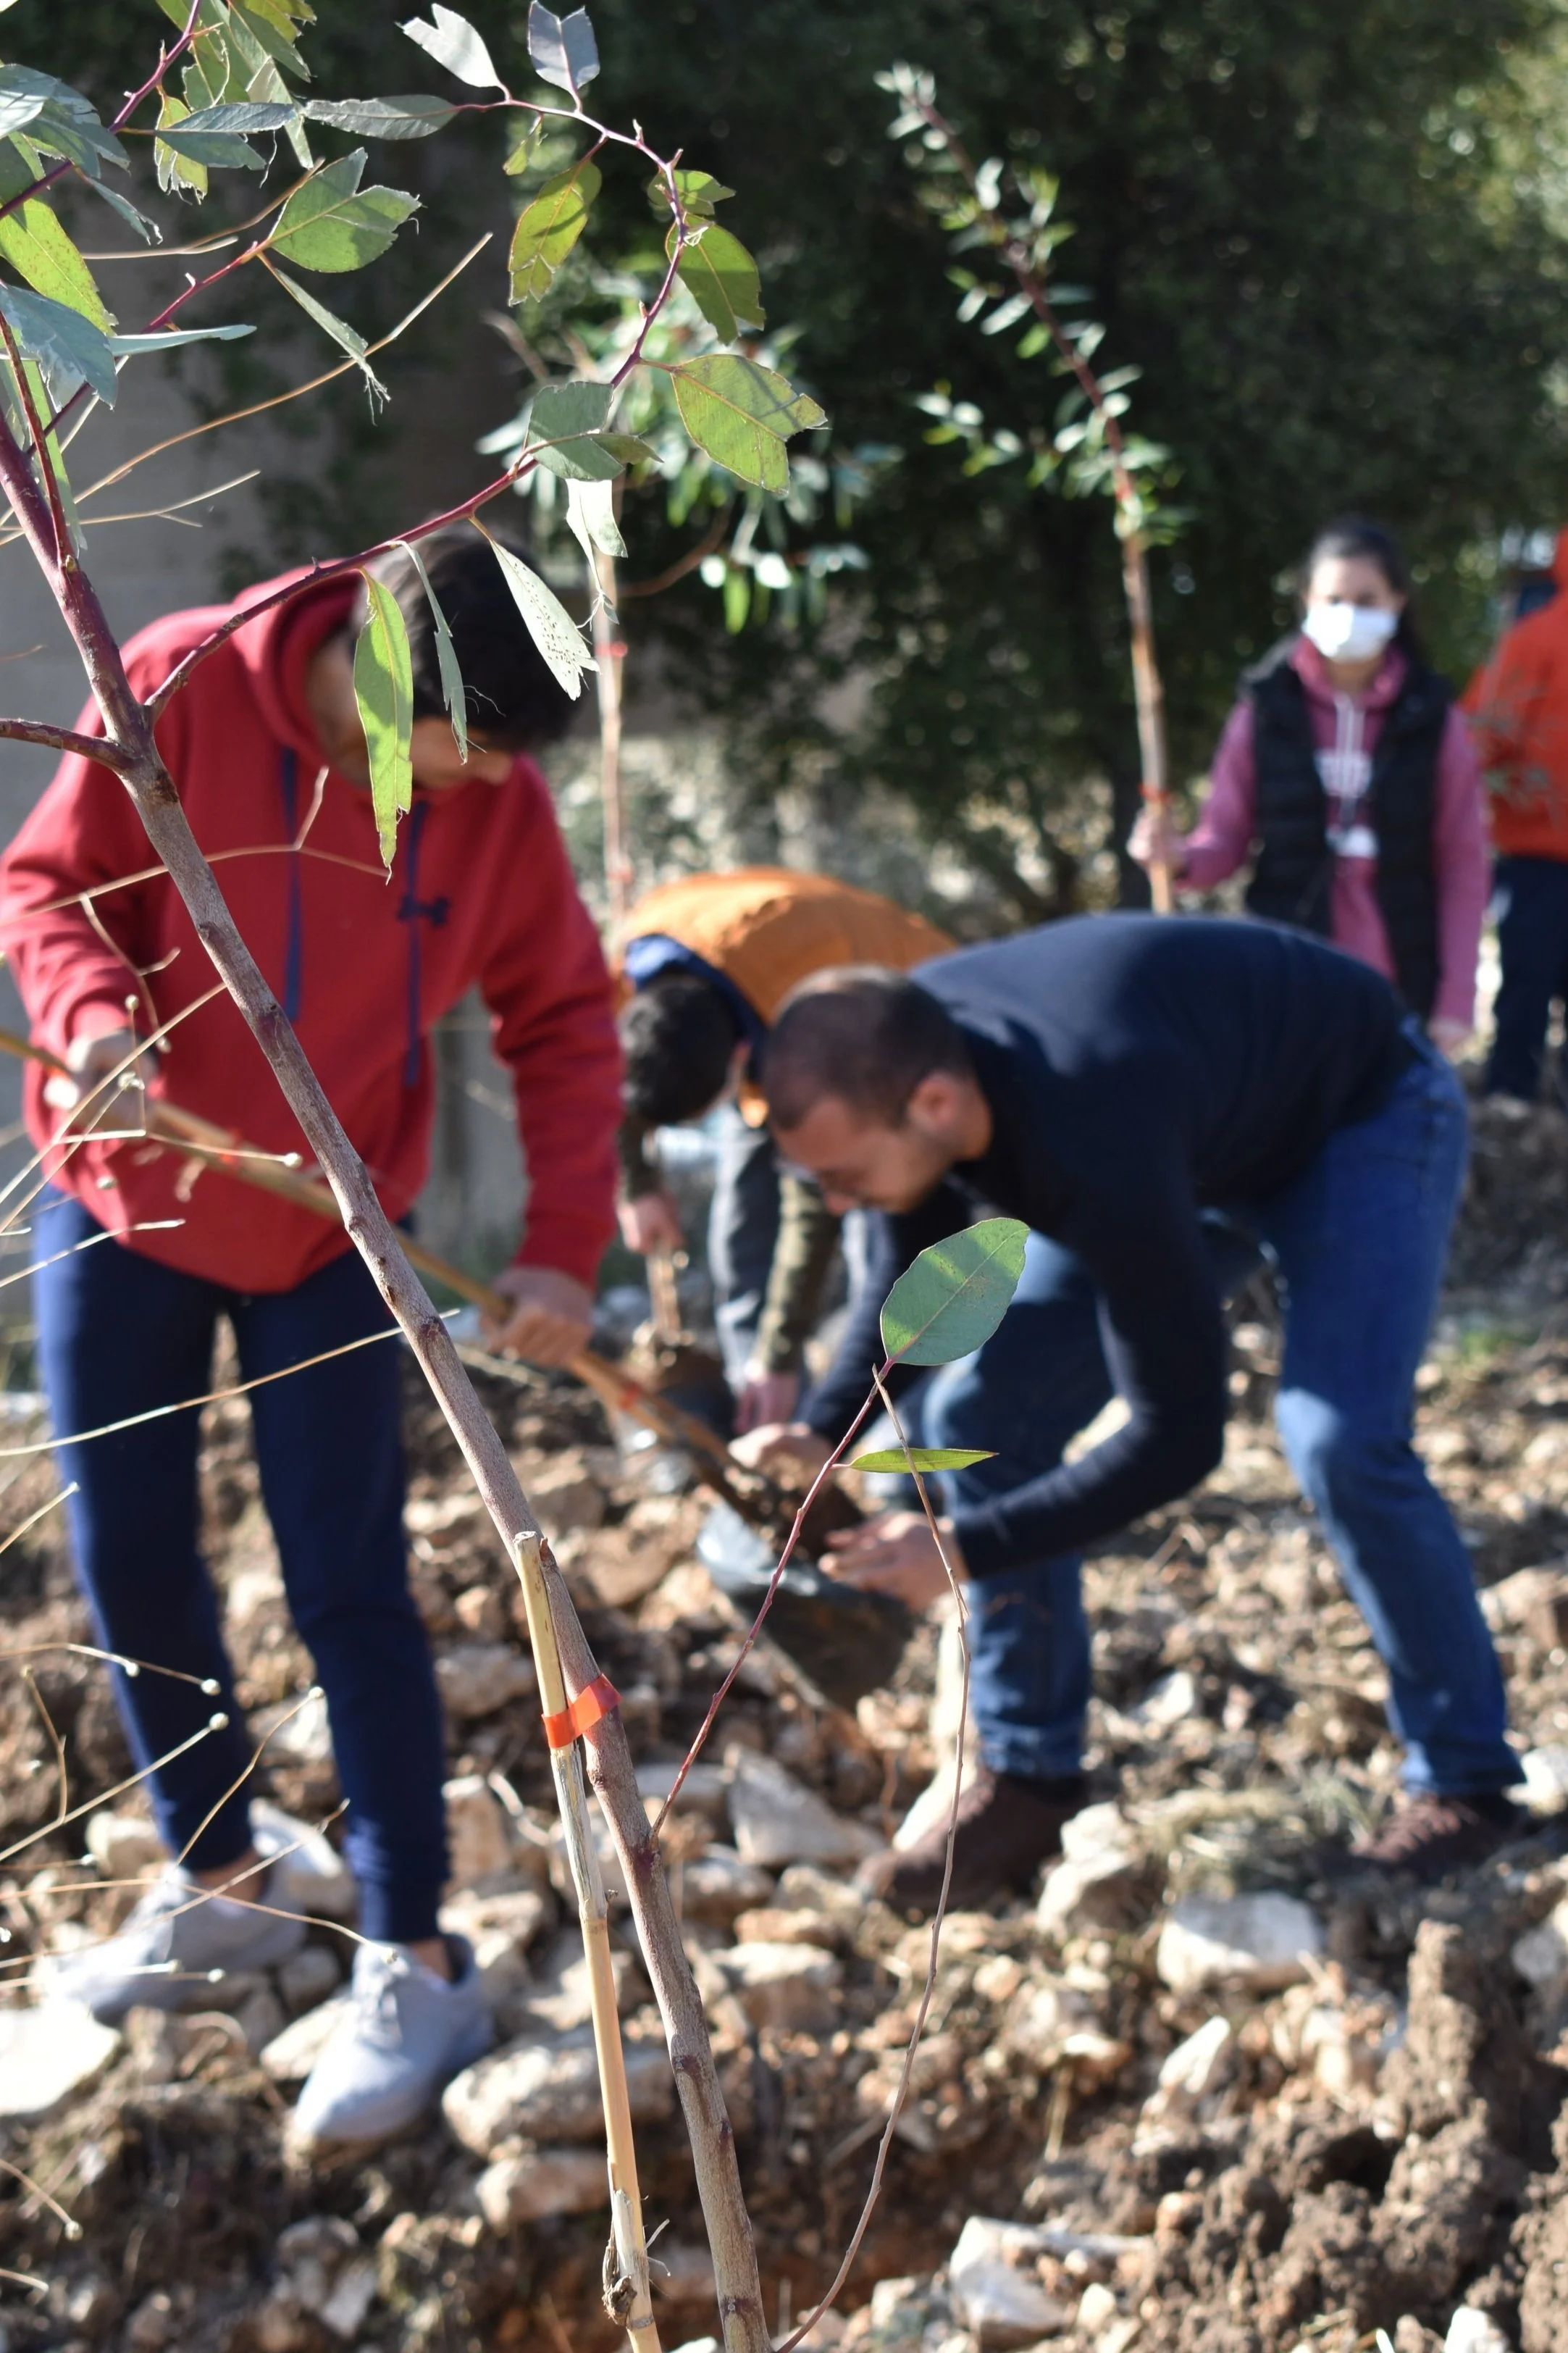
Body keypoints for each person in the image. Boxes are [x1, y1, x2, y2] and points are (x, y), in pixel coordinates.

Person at [0, 527, 621, 2144]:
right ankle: (224, 1877)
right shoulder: (178, 682)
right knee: (131, 1554)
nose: (479, 782)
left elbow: (563, 1013)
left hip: (336, 1229)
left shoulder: (495, 799)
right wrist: (90, 1019)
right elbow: (45, 882)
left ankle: (415, 1950)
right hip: (124, 1194)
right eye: (464, 744)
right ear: (386, 667)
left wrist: (563, 1250)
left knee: (349, 1578)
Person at [736, 918, 1519, 1913]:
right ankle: (1030, 1777)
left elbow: (1180, 1438)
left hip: (1356, 1117)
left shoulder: (1087, 1122)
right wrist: (824, 1428)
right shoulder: (907, 1052)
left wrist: (963, 1550)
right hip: (1186, 1139)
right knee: (984, 1409)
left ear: (934, 1102)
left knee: (1341, 1439)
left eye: (844, 1177)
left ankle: (1465, 1785)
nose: (839, 1205)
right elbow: (912, 1262)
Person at [1130, 517, 1487, 1056]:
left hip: (1397, 980)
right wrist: (1177, 858)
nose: (1348, 614)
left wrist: (1455, 1000)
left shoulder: (1432, 717)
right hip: (1289, 972)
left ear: (1397, 601)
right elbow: (1223, 839)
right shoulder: (1266, 708)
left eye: (1366, 600)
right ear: (1306, 602)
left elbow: (1462, 862)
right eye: (1333, 599)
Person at [616, 868, 951, 1429]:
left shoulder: (820, 1017)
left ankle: (891, 1430)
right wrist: (637, 1183)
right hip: (757, 1001)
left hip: (900, 1033)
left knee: (879, 1247)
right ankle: (767, 1421)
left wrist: (780, 1351)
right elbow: (596, 1076)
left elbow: (812, 1204)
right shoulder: (626, 960)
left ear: (738, 1060)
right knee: (740, 1228)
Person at [1464, 530, 1568, 1107]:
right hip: (1537, 852)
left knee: (1526, 977)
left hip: (1534, 849)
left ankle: (1518, 1098)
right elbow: (1484, 734)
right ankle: (1510, 1098)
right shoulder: (1537, 638)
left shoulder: (1532, 636)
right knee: (1528, 976)